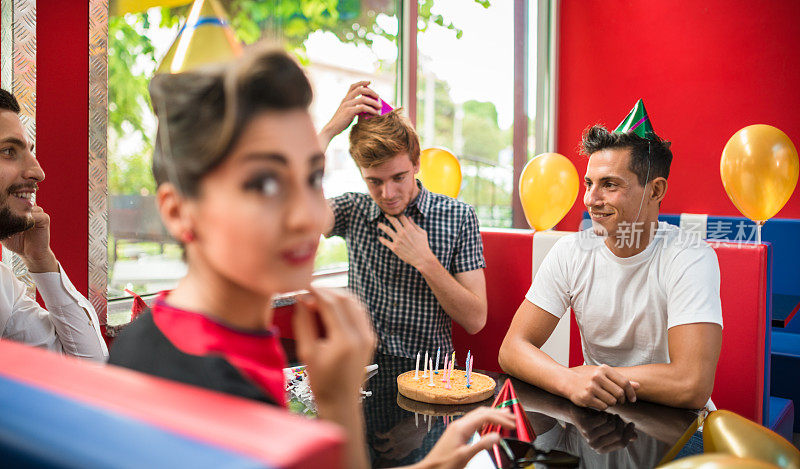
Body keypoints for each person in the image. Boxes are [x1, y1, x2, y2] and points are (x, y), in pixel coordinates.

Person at [109, 44, 513, 469]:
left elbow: (475, 316)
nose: (307, 213)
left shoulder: (248, 348)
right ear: (178, 212)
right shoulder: (190, 376)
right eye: (265, 183)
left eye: (312, 177)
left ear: (415, 164)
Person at [499, 116, 723, 411]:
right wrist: (567, 381)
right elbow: (512, 348)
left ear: (655, 191)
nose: (591, 199)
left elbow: (691, 384)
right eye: (589, 183)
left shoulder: (689, 255)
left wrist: (591, 377)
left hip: (679, 425)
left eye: (609, 185)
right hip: (599, 413)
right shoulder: (570, 251)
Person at [319, 82, 487, 358]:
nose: (387, 194)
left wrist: (425, 261)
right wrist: (328, 132)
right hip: (362, 373)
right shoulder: (353, 209)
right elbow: (297, 213)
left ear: (416, 163)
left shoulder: (459, 217)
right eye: (373, 181)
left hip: (428, 378)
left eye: (398, 178)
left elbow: (476, 320)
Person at [0, 89, 107, 362]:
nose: (38, 172)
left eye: (29, 152)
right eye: (9, 151)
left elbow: (89, 371)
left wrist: (40, 259)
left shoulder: (3, 285)